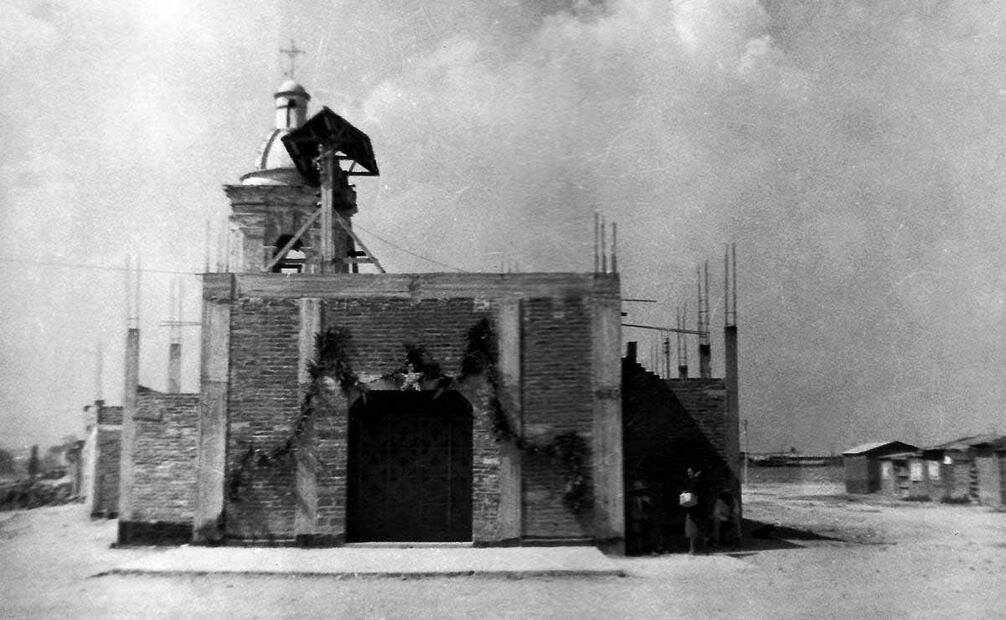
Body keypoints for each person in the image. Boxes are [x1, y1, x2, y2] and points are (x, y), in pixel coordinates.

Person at [628, 480, 654, 555]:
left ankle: (645, 549)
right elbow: (632, 509)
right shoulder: (632, 499)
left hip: (644, 519)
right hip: (635, 519)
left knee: (646, 534)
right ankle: (638, 550)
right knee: (636, 534)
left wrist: (648, 502)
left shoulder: (646, 498)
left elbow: (650, 507)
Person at [681, 468, 702, 554]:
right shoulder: (691, 481)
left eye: (690, 472)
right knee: (691, 528)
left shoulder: (696, 482)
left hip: (695, 508)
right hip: (690, 508)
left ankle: (693, 548)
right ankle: (692, 547)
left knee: (693, 528)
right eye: (688, 472)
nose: (689, 474)